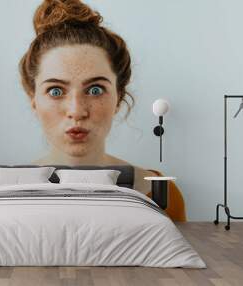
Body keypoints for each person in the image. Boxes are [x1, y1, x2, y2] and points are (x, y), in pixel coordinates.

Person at [19, 0, 156, 194]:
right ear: (34, 99)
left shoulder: (161, 193)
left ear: (119, 96)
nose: (76, 111)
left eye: (95, 90)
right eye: (55, 91)